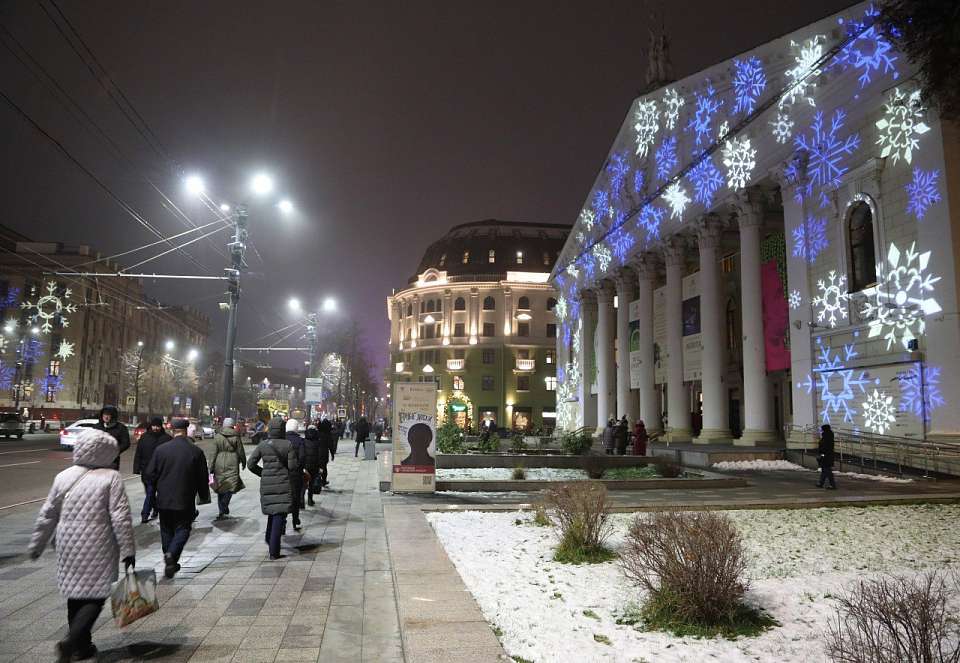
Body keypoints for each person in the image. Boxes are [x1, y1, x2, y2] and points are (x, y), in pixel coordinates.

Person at [28, 429, 135, 663]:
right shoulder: (111, 477)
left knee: (75, 594)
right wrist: (128, 550)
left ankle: (81, 646)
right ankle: (72, 640)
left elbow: (48, 514)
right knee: (95, 596)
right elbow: (120, 517)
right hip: (99, 543)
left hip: (67, 543)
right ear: (109, 452)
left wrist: (37, 544)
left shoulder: (64, 476)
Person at [144, 418, 210, 578]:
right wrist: (203, 495)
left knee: (166, 529)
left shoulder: (161, 450)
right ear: (186, 431)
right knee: (183, 528)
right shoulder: (195, 451)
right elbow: (203, 477)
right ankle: (172, 555)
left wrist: (154, 490)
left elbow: (149, 475)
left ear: (172, 430)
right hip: (185, 499)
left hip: (164, 499)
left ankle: (169, 557)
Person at [248, 417, 299, 559]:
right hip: (283, 482)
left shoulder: (263, 445)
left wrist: (263, 473)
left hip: (267, 483)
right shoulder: (288, 445)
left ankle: (269, 538)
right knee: (279, 514)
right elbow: (293, 467)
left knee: (273, 511)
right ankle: (274, 551)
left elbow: (250, 464)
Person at [132, 417, 171, 523]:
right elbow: (138, 454)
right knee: (150, 493)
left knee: (150, 492)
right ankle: (156, 508)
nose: (155, 428)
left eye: (158, 426)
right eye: (154, 426)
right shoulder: (144, 437)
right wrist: (136, 468)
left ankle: (145, 514)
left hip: (161, 472)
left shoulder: (167, 438)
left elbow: (171, 456)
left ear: (161, 426)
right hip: (146, 471)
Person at [210, 417, 246, 520]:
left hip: (219, 462)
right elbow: (240, 450)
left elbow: (213, 453)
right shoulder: (236, 436)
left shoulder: (217, 436)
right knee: (231, 485)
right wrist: (243, 462)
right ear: (232, 425)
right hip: (232, 462)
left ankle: (222, 510)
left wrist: (211, 467)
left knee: (220, 486)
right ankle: (224, 507)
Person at [94, 404, 130, 470]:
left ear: (113, 416)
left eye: (108, 415)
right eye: (104, 415)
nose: (106, 417)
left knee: (109, 478)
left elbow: (126, 443)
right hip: (97, 459)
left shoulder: (120, 428)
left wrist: (114, 451)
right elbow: (91, 440)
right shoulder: (97, 427)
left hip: (112, 460)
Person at [285, 419, 305, 530]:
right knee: (295, 496)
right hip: (295, 474)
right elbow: (302, 457)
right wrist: (299, 468)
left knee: (283, 497)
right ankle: (295, 519)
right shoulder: (300, 441)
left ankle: (282, 523)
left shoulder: (281, 440)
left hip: (283, 473)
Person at [302, 423, 323, 505]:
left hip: (305, 466)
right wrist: (321, 467)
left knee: (303, 484)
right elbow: (320, 456)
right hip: (314, 466)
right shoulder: (318, 442)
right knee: (311, 484)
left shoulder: (303, 441)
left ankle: (301, 501)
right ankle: (310, 500)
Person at [817, 424, 837, 489]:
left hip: (826, 456)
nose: (821, 430)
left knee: (827, 470)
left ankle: (832, 484)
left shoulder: (826, 437)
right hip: (827, 455)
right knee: (824, 470)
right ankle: (821, 483)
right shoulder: (828, 436)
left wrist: (822, 454)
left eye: (822, 429)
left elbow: (825, 448)